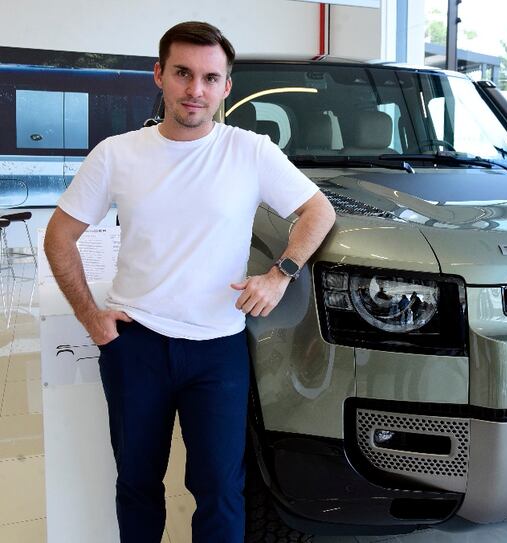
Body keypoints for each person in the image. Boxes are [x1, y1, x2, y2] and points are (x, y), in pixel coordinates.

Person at [43, 21, 335, 543]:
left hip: (217, 351)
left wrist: (280, 275)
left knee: (220, 491)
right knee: (136, 485)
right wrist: (91, 316)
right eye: (182, 73)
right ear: (160, 75)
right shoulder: (117, 153)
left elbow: (318, 211)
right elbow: (59, 237)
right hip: (137, 346)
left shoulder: (251, 151)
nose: (194, 90)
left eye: (209, 77)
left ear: (226, 87)